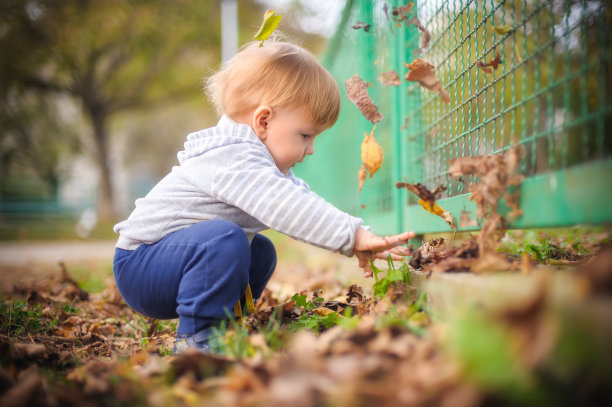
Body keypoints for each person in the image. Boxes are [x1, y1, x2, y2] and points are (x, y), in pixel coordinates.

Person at [113, 40, 414, 354]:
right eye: (306, 136)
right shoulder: (234, 157)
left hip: (171, 262)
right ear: (264, 121)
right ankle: (199, 344)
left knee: (260, 252)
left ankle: (225, 327)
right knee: (223, 239)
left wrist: (357, 235)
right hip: (142, 265)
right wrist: (351, 236)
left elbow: (300, 197)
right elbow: (287, 206)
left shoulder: (255, 158)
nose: (310, 149)